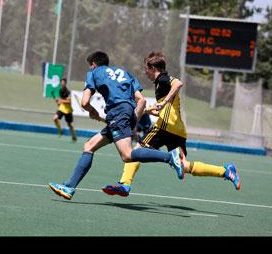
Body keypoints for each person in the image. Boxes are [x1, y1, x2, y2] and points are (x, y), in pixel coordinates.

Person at [48, 51, 185, 200]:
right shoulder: (125, 74)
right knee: (89, 146)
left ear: (93, 64)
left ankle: (170, 157)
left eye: (90, 66)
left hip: (117, 113)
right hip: (126, 113)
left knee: (127, 155)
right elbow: (142, 101)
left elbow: (84, 102)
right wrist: (132, 122)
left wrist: (92, 111)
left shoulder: (93, 73)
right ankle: (69, 187)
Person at [102, 51, 241, 198]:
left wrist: (164, 102)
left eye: (146, 69)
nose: (145, 72)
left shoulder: (163, 79)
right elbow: (164, 106)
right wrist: (150, 110)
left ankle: (125, 184)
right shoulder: (160, 84)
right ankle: (225, 171)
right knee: (184, 165)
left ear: (152, 67)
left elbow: (178, 83)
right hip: (178, 130)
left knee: (135, 152)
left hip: (164, 127)